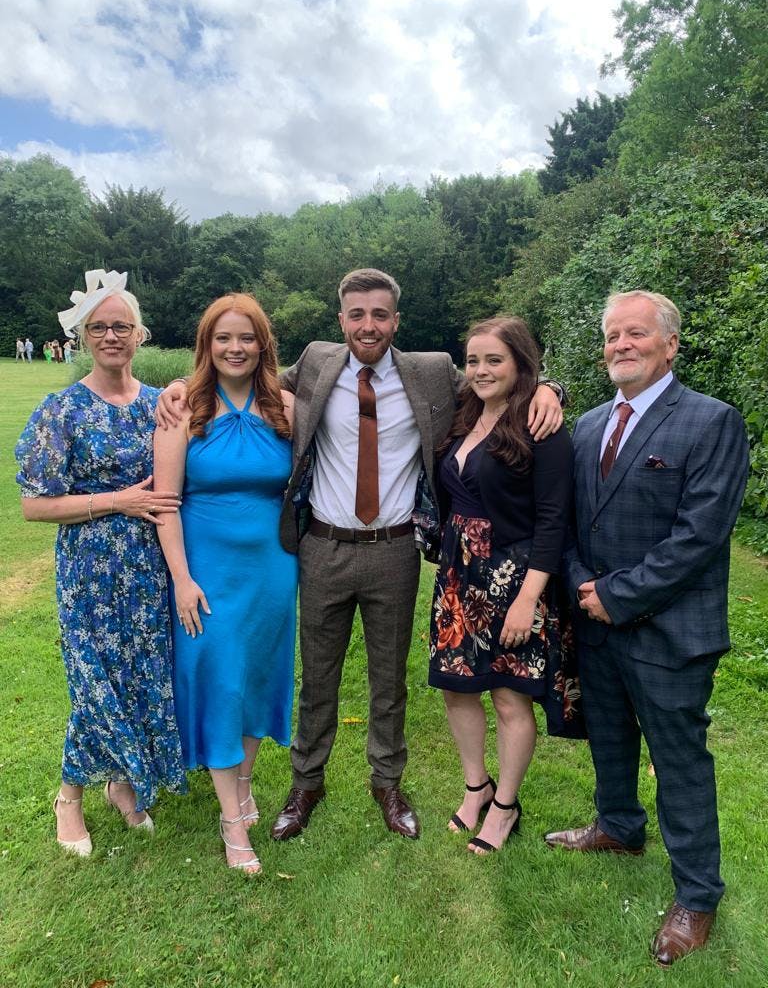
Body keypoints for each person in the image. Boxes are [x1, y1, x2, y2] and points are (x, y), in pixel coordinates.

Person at [157, 268, 563, 841]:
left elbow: (502, 376)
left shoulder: (431, 372)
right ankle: (306, 783)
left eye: (379, 315)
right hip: (322, 546)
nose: (367, 325)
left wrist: (551, 389)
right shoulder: (316, 365)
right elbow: (240, 371)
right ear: (341, 319)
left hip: (393, 550)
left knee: (387, 679)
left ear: (397, 320)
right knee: (317, 677)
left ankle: (388, 783)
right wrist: (178, 384)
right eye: (356, 315)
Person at [546, 290, 749, 966]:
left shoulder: (711, 422)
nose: (620, 345)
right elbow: (571, 520)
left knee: (680, 762)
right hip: (597, 622)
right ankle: (619, 827)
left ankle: (696, 896)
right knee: (608, 736)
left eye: (636, 334)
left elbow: (700, 537)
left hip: (668, 630)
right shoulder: (588, 425)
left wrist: (617, 595)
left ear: (669, 345)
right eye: (611, 336)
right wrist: (583, 588)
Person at [15, 269, 186, 856]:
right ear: (84, 336)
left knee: (142, 675)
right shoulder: (62, 409)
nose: (112, 335)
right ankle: (70, 794)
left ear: (140, 335)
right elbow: (35, 506)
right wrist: (120, 499)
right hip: (89, 569)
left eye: (122, 326)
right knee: (95, 679)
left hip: (147, 565)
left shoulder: (158, 405)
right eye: (100, 327)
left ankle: (122, 782)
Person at [154, 293, 297, 875]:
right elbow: (165, 503)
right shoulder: (182, 406)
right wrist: (182, 580)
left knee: (258, 678)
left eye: (246, 338)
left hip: (272, 569)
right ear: (206, 345)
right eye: (222, 339)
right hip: (206, 569)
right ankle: (231, 821)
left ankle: (242, 784)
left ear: (263, 344)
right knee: (217, 679)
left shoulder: (286, 404)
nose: (234, 349)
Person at [429, 316, 581, 855]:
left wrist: (527, 599)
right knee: (455, 686)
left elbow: (553, 520)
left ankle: (505, 807)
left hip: (513, 579)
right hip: (457, 578)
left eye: (495, 360)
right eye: (473, 360)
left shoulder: (542, 426)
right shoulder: (463, 413)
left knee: (508, 698)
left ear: (521, 364)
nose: (481, 370)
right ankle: (477, 787)